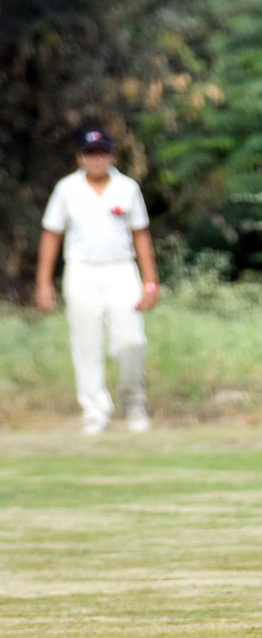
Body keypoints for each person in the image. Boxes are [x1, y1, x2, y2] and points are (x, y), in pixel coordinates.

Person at [35, 128, 160, 434]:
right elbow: (52, 234)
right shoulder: (67, 189)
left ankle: (133, 403)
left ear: (112, 156)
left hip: (121, 269)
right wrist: (43, 282)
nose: (97, 159)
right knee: (87, 342)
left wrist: (151, 280)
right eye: (91, 154)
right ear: (80, 158)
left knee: (130, 340)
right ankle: (95, 410)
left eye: (102, 153)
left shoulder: (127, 187)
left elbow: (140, 234)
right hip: (81, 270)